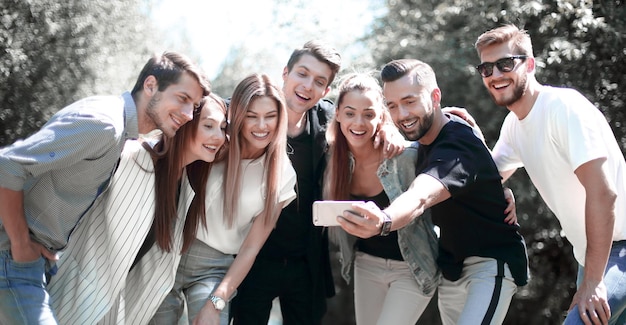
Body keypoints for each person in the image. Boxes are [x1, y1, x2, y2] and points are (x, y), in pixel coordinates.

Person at [0, 51, 210, 324]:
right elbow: (9, 166)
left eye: (193, 106)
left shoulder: (119, 130)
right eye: (182, 99)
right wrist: (20, 243)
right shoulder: (105, 125)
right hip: (13, 259)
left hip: (32, 259)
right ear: (150, 86)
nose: (187, 115)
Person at [339, 59, 529, 325]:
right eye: (392, 105)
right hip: (451, 269)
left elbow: (420, 196)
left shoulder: (457, 144)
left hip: (490, 265)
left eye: (410, 101)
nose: (402, 114)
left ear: (435, 96)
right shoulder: (423, 140)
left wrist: (384, 220)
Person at [230, 41, 404, 325]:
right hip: (252, 257)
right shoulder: (255, 115)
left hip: (306, 261)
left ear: (325, 92)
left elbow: (363, 118)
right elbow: (217, 113)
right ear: (285, 73)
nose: (307, 85)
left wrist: (391, 131)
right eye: (302, 73)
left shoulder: (326, 118)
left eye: (319, 81)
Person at [474, 24, 626, 325]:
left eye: (505, 63)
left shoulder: (563, 108)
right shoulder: (514, 127)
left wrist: (594, 282)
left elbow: (603, 193)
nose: (495, 75)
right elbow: (485, 180)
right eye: (486, 68)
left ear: (529, 64)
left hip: (619, 249)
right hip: (593, 257)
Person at [45, 93, 227, 325]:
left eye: (222, 128)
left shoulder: (186, 186)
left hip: (116, 311)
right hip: (70, 295)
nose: (218, 136)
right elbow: (64, 194)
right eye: (209, 126)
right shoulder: (132, 157)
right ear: (183, 124)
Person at [151, 73, 297, 325]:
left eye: (270, 116)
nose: (261, 126)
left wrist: (217, 301)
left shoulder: (283, 173)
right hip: (169, 252)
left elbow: (251, 248)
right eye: (251, 116)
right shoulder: (215, 144)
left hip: (214, 268)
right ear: (238, 114)